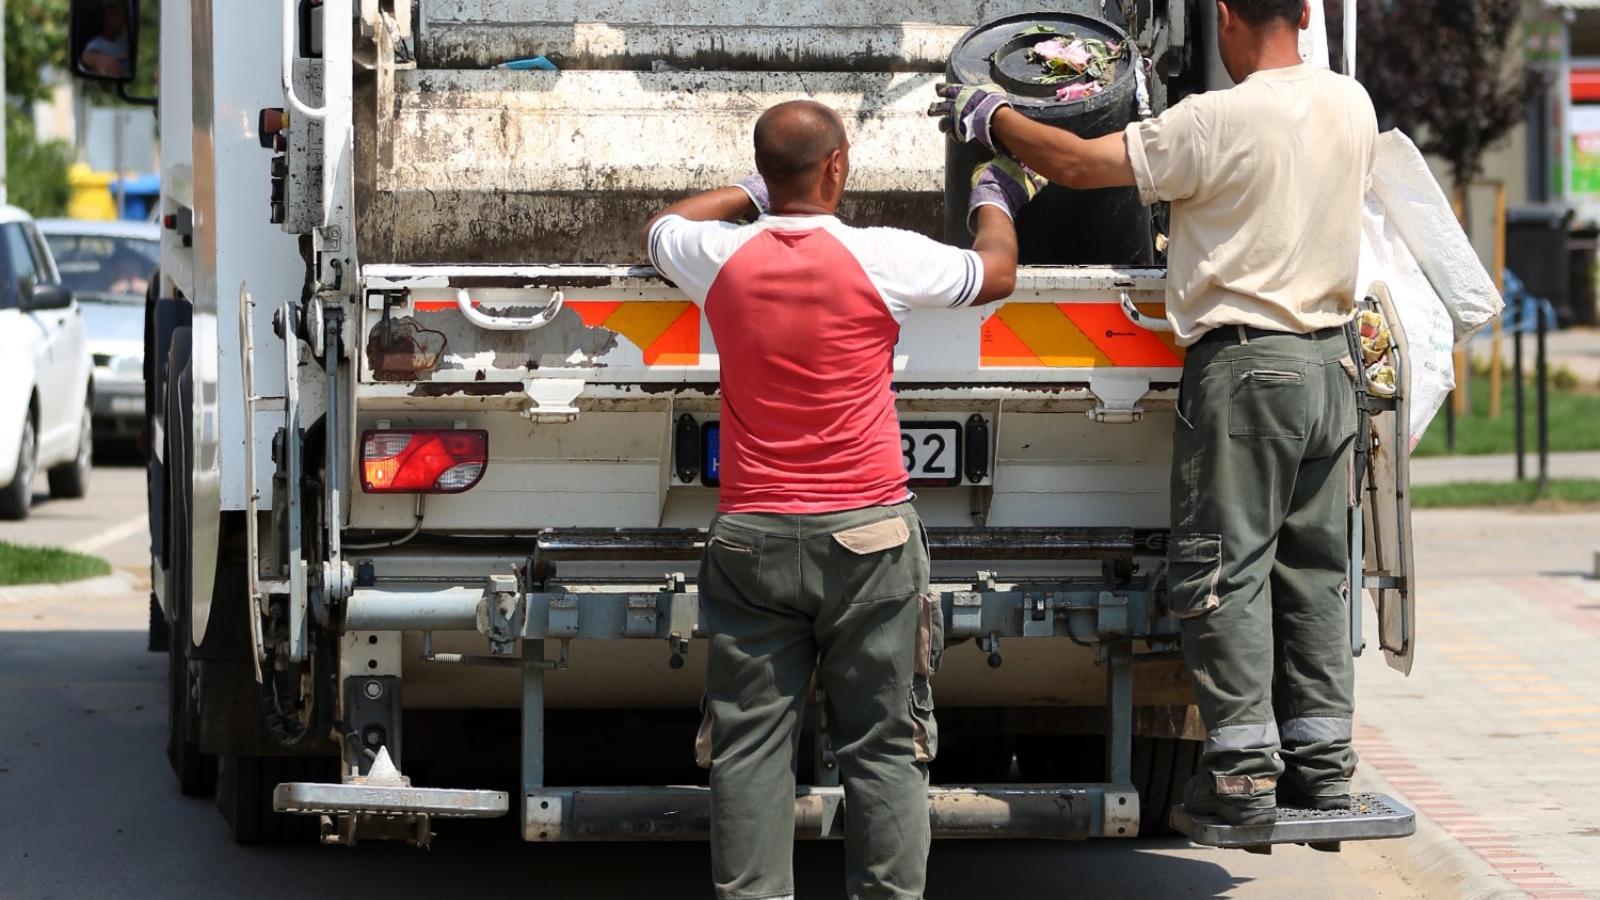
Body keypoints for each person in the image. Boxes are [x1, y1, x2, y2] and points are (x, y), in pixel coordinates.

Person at [931, 0, 1378, 826]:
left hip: (1249, 369)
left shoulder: (1213, 121)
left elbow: (1073, 163)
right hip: (1328, 365)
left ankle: (1243, 771)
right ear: (1310, 12)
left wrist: (992, 114)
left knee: (1223, 571)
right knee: (1311, 572)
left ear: (1224, 16)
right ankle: (1324, 766)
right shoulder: (1350, 102)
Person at [643, 100, 1034, 900]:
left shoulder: (716, 257)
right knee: (884, 748)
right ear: (837, 167)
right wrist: (995, 195)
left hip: (751, 539)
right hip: (870, 538)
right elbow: (996, 271)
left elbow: (661, 226)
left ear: (769, 170)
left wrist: (752, 192)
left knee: (748, 748)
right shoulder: (884, 257)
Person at [81, 3, 131, 79]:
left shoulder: (123, 35)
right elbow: (86, 56)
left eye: (120, 14)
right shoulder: (96, 44)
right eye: (114, 15)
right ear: (106, 21)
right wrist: (97, 59)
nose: (121, 17)